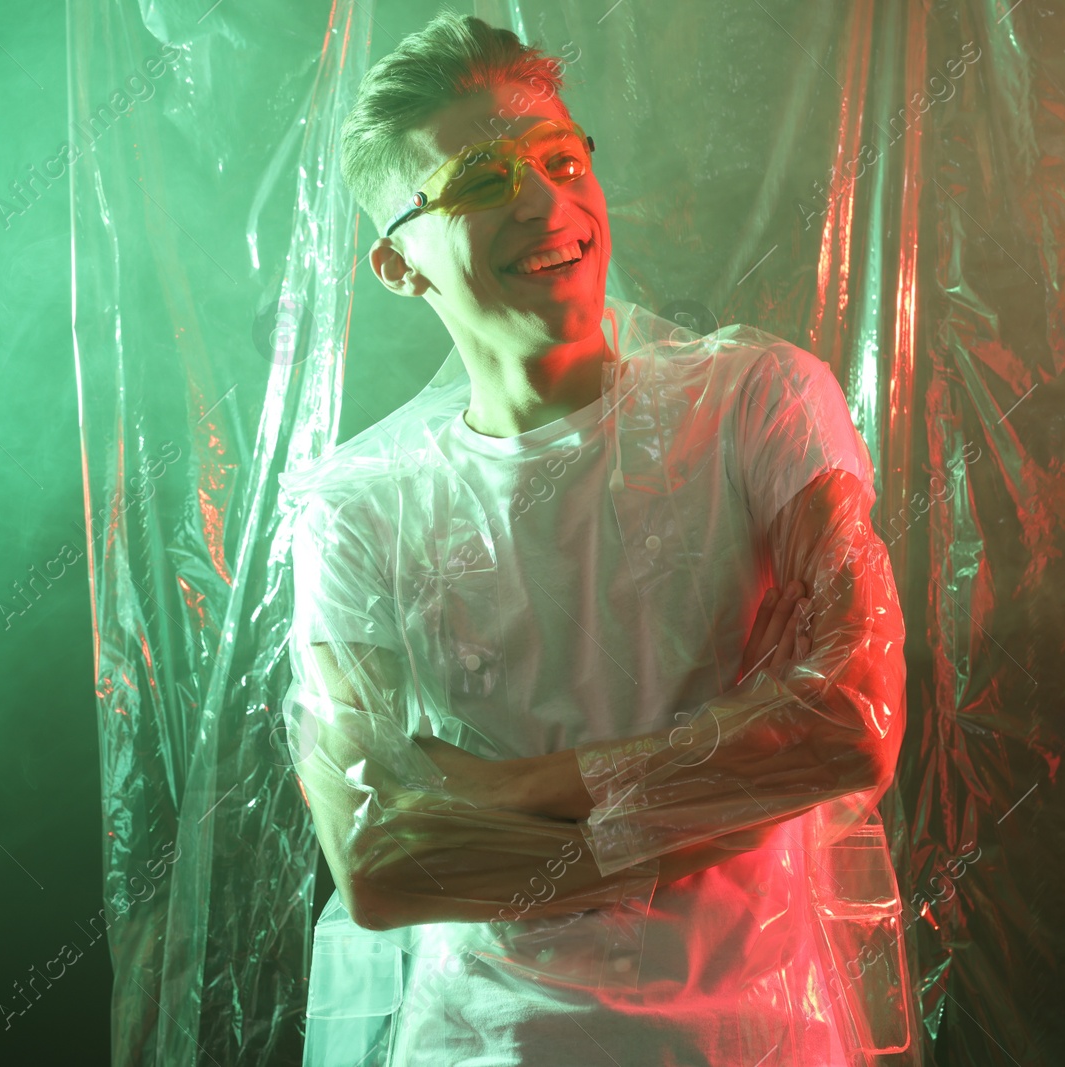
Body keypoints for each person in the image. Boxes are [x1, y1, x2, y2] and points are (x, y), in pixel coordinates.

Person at [278, 13, 915, 1066]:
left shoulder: (760, 402)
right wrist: (724, 804)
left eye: (560, 158)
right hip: (487, 1046)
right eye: (480, 182)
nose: (545, 200)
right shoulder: (356, 508)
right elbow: (380, 863)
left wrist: (507, 792)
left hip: (757, 1043)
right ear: (397, 264)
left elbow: (849, 718)